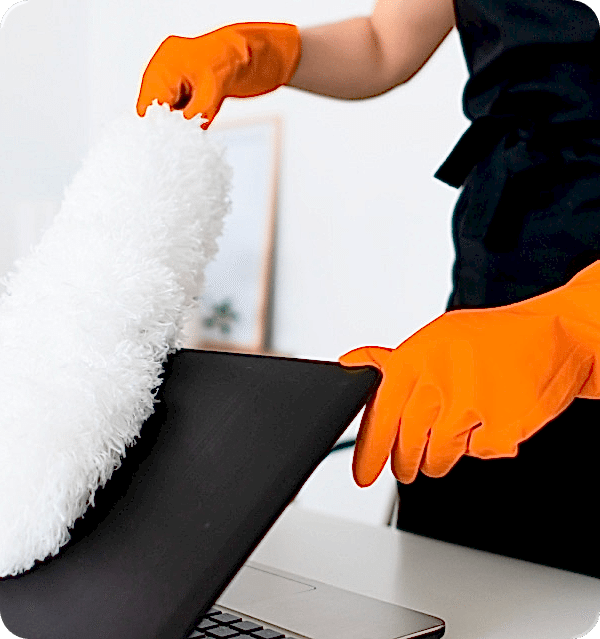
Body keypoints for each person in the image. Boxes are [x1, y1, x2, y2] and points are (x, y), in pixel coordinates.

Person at [136, 0, 600, 579]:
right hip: (504, 247)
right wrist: (267, 52)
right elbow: (384, 44)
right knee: (457, 559)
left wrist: (576, 325)